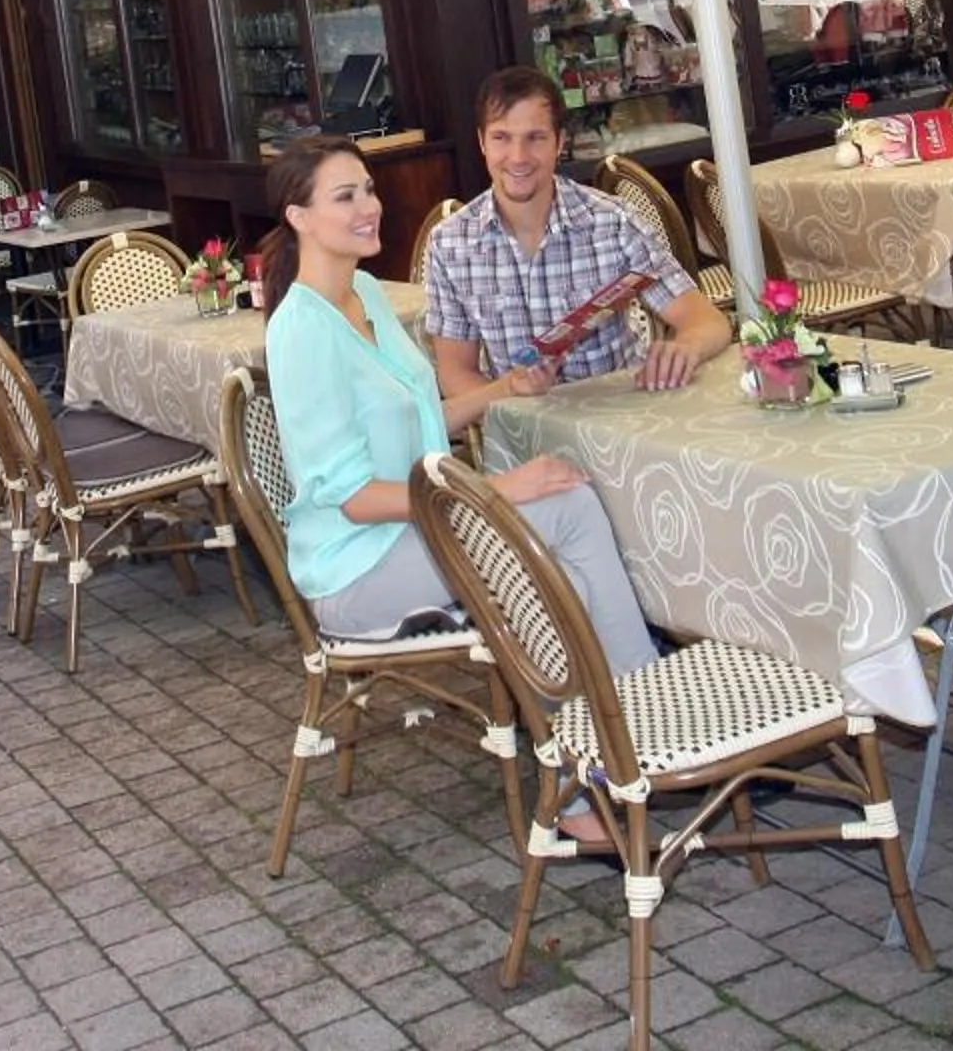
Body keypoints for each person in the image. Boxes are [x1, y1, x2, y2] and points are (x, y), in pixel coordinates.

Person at [260, 135, 660, 854]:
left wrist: (503, 388)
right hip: (357, 569)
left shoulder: (368, 295)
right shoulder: (302, 328)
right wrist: (494, 492)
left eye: (368, 190)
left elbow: (417, 421)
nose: (369, 207)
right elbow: (349, 496)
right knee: (547, 531)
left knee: (558, 528)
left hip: (412, 536)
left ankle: (624, 743)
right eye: (344, 196)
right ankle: (612, 757)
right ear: (298, 217)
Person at [422, 67, 735, 400]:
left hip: (615, 425)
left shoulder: (612, 222)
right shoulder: (450, 243)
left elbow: (707, 321)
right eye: (501, 137)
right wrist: (511, 399)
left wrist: (685, 347)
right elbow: (455, 373)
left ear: (559, 142)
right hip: (520, 433)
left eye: (535, 138)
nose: (518, 157)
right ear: (481, 142)